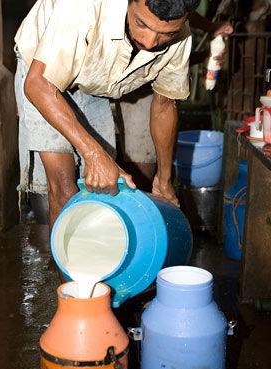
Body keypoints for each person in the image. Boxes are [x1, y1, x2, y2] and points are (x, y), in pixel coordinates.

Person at [14, 0, 201, 229]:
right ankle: (68, 263)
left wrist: (164, 178)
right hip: (42, 74)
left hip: (94, 78)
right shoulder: (82, 7)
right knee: (65, 187)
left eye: (166, 35)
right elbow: (37, 85)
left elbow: (164, 105)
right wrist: (94, 154)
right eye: (141, 23)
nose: (150, 42)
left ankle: (101, 259)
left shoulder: (181, 38)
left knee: (102, 187)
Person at [118, 12, 233, 192]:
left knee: (142, 164)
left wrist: (164, 178)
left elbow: (176, 14)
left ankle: (142, 203)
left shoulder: (176, 24)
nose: (150, 43)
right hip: (95, 78)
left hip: (139, 87)